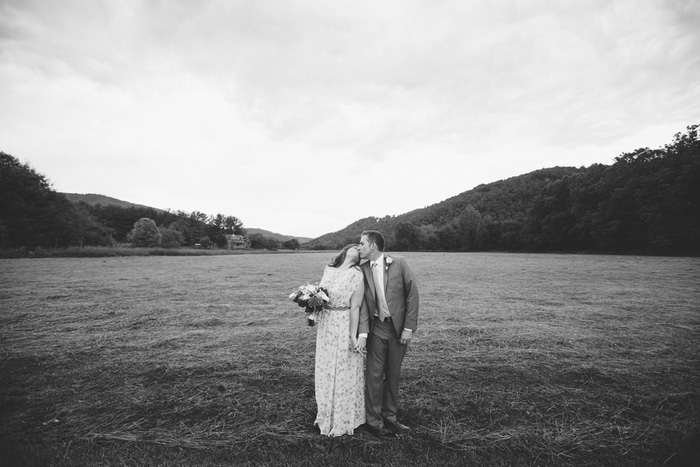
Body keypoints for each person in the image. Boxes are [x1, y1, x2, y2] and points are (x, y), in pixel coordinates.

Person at [357, 230, 419, 438]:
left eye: (362, 243)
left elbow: (412, 295)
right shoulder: (362, 269)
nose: (360, 247)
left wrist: (408, 328)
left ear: (373, 246)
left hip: (398, 329)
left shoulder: (399, 262)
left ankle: (390, 417)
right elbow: (363, 306)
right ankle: (374, 422)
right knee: (374, 375)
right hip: (376, 328)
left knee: (393, 375)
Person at [313, 244, 370, 436]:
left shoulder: (357, 274)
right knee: (326, 367)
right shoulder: (329, 270)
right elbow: (320, 296)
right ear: (346, 250)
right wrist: (310, 304)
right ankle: (325, 413)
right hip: (325, 325)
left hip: (343, 323)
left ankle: (343, 417)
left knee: (343, 367)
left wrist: (353, 335)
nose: (358, 248)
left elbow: (356, 307)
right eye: (355, 246)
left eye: (361, 247)